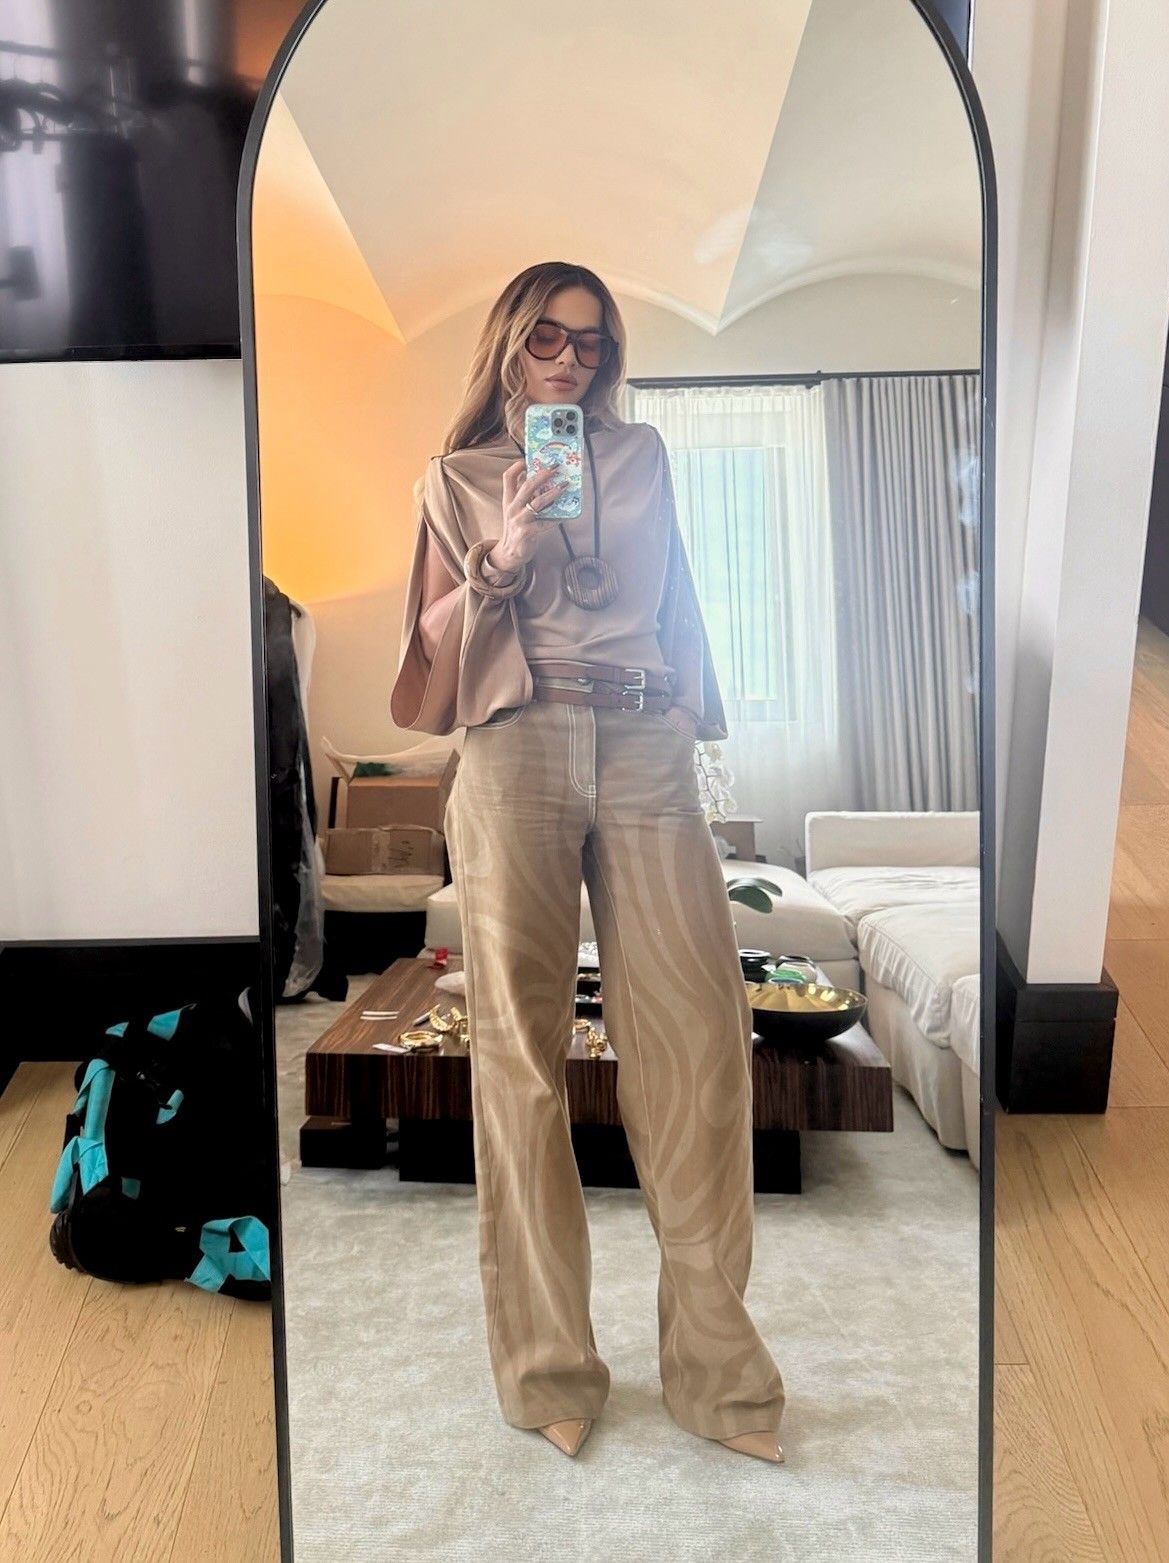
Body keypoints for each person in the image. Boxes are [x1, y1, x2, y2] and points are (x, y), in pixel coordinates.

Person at [391, 261, 786, 1464]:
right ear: (509, 343)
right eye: (549, 339)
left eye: (594, 344)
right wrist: (501, 555)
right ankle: (548, 1368)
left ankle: (719, 1377)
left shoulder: (645, 455)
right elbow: (430, 652)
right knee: (521, 1058)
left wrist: (690, 719)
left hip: (645, 742)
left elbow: (678, 597)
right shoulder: (456, 476)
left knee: (702, 1045)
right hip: (516, 745)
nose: (573, 361)